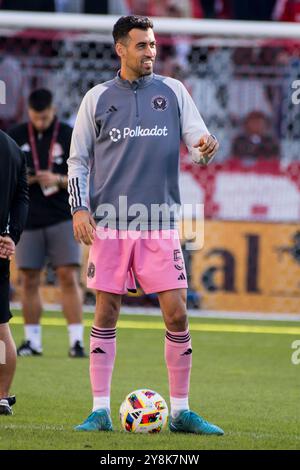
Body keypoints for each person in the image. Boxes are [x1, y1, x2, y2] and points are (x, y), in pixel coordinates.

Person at [68, 15, 223, 434]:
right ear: (120, 48)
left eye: (153, 45)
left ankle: (181, 412)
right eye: (141, 45)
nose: (150, 52)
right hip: (111, 224)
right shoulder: (96, 98)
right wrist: (79, 209)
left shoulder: (173, 91)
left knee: (176, 314)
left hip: (159, 223)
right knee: (106, 310)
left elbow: (199, 146)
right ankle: (100, 410)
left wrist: (207, 149)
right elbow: (78, 161)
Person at [9, 89, 86, 358]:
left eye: (44, 117)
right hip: (27, 220)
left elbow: (86, 174)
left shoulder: (68, 134)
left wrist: (58, 180)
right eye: (35, 118)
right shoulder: (16, 136)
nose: (40, 122)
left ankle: (76, 341)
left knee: (68, 276)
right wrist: (25, 180)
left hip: (62, 216)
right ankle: (32, 341)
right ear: (28, 113)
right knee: (28, 279)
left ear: (53, 110)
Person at [0, 130, 29, 415]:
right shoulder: (12, 147)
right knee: (0, 326)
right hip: (0, 245)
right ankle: (1, 395)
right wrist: (12, 236)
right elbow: (22, 198)